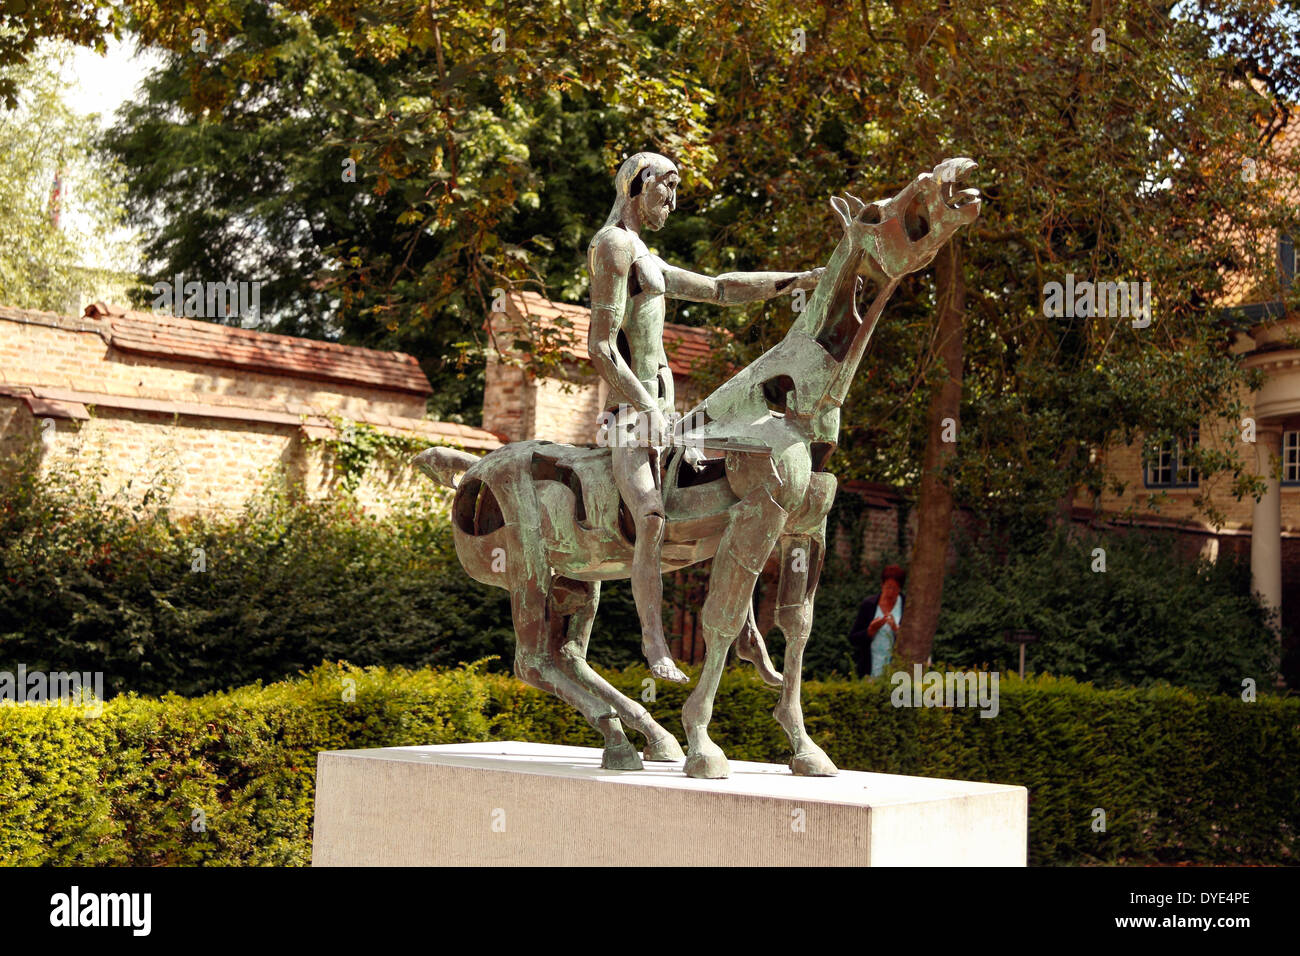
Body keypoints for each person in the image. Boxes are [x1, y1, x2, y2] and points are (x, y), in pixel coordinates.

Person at [586, 151, 822, 684]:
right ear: (635, 186)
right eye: (664, 187)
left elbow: (720, 288)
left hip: (671, 419)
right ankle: (654, 642)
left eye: (675, 189)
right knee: (649, 515)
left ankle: (745, 636)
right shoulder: (613, 246)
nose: (671, 199)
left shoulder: (647, 256)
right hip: (628, 418)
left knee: (729, 510)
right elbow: (601, 348)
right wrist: (647, 408)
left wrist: (800, 279)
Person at [848, 565, 906, 678]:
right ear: (882, 585)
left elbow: (913, 640)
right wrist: (870, 631)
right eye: (888, 587)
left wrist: (896, 629)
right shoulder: (869, 605)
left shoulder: (906, 605)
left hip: (896, 670)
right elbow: (853, 638)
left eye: (895, 589)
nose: (891, 592)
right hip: (870, 669)